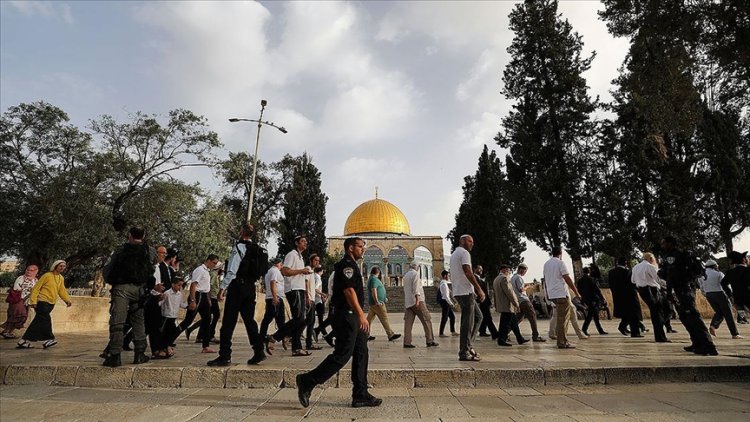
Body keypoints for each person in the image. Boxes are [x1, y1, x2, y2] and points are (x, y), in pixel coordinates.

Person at [295, 237, 382, 409]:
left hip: (354, 316)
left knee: (361, 352)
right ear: (350, 248)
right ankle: (307, 381)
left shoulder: (353, 264)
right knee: (343, 354)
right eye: (359, 246)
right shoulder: (346, 265)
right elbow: (349, 291)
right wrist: (361, 315)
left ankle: (360, 394)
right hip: (346, 315)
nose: (363, 249)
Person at [207, 223, 267, 366]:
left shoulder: (239, 248)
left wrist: (222, 288)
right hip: (250, 288)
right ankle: (258, 350)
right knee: (250, 321)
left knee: (228, 322)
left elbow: (232, 271)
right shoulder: (257, 249)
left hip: (237, 287)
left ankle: (225, 355)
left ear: (241, 232)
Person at [101, 227, 155, 366]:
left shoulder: (119, 250)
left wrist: (112, 281)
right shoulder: (150, 251)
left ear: (129, 235)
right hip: (140, 290)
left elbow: (107, 269)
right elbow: (151, 269)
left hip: (121, 289)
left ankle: (115, 355)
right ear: (143, 236)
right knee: (138, 321)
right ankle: (139, 354)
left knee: (118, 322)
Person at [659, 236, 717, 355]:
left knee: (693, 317)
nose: (662, 246)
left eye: (664, 243)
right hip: (676, 290)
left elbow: (682, 273)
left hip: (684, 289)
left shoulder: (679, 255)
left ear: (671, 243)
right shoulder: (667, 257)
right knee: (685, 318)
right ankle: (696, 342)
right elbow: (667, 274)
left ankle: (708, 346)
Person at [267, 235, 314, 357]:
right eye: (303, 241)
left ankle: (296, 348)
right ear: (296, 243)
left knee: (301, 319)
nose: (305, 243)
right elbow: (285, 271)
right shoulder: (291, 255)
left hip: (299, 289)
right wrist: (301, 271)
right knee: (299, 318)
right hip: (293, 289)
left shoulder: (300, 257)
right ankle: (275, 337)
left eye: (306, 241)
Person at [16, 260, 71, 349]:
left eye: (64, 266)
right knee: (46, 319)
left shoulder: (61, 278)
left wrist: (67, 300)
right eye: (60, 266)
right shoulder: (47, 276)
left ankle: (23, 341)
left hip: (51, 303)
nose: (62, 268)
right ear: (55, 266)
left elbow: (61, 290)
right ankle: (49, 338)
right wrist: (33, 301)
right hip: (42, 301)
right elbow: (36, 288)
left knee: (38, 322)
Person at [450, 234, 485, 361]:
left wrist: (472, 290)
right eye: (470, 241)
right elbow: (467, 271)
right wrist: (479, 289)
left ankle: (468, 346)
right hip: (464, 293)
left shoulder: (454, 254)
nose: (472, 244)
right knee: (467, 322)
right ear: (462, 241)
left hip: (461, 291)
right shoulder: (464, 253)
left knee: (478, 317)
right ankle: (464, 352)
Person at [176, 255, 220, 353]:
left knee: (207, 319)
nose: (214, 265)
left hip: (204, 296)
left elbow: (206, 287)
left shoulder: (207, 272)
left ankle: (206, 345)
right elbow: (193, 285)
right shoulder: (200, 270)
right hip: (197, 295)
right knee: (188, 321)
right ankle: (169, 340)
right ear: (208, 261)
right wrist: (192, 300)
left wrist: (208, 299)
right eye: (214, 262)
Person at [543, 246, 581, 349]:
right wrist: (576, 292)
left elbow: (545, 281)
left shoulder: (546, 264)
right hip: (561, 294)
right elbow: (567, 278)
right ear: (560, 253)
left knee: (560, 318)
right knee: (563, 319)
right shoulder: (560, 263)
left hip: (552, 295)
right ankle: (562, 342)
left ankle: (561, 340)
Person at [631, 253, 669, 342]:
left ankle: (659, 335)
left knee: (655, 312)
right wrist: (668, 286)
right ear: (651, 258)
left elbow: (633, 280)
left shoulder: (635, 267)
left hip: (642, 291)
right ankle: (660, 336)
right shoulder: (650, 266)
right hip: (652, 290)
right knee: (659, 312)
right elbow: (658, 280)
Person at [701, 259, 742, 339]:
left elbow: (702, 288)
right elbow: (726, 285)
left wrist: (706, 294)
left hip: (709, 294)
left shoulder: (702, 276)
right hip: (720, 293)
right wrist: (731, 295)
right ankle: (734, 334)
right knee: (728, 314)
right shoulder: (719, 274)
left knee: (719, 312)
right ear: (714, 266)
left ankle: (713, 326)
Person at [402, 262, 438, 348]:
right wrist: (417, 300)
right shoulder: (415, 274)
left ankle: (407, 342)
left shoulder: (406, 275)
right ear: (417, 267)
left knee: (408, 323)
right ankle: (430, 340)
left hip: (408, 302)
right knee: (426, 320)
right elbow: (416, 288)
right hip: (418, 301)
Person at [493, 264, 528, 346]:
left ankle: (520, 338)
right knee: (505, 324)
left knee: (513, 323)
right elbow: (510, 293)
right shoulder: (504, 278)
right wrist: (516, 303)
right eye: (509, 271)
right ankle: (501, 340)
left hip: (501, 304)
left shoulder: (496, 279)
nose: (509, 273)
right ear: (505, 270)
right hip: (507, 305)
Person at [1, 264, 39, 339]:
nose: (28, 271)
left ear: (35, 271)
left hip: (27, 302)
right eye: (27, 269)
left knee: (22, 318)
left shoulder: (36, 280)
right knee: (16, 316)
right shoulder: (21, 278)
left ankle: (8, 332)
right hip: (18, 300)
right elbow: (17, 289)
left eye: (31, 270)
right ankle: (6, 331)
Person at [609, 257, 642, 338]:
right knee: (634, 314)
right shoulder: (627, 272)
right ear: (625, 263)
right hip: (629, 296)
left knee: (625, 313)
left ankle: (623, 326)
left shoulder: (611, 272)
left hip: (617, 296)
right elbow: (633, 283)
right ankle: (635, 332)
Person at [512, 263, 545, 342]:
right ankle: (535, 336)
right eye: (525, 271)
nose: (525, 273)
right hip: (524, 300)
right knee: (532, 317)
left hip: (519, 301)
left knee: (518, 319)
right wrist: (529, 286)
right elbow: (521, 289)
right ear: (521, 270)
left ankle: (504, 333)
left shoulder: (513, 278)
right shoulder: (519, 277)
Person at [366, 267, 401, 342]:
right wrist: (377, 301)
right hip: (377, 304)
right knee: (384, 319)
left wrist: (384, 298)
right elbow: (374, 290)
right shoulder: (374, 279)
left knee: (368, 320)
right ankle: (390, 334)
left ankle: (365, 334)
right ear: (378, 272)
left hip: (374, 304)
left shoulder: (372, 278)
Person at [155, 277, 186, 358]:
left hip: (173, 317)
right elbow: (160, 303)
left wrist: (189, 305)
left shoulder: (179, 294)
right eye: (178, 285)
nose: (180, 287)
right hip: (166, 317)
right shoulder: (167, 293)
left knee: (172, 333)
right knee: (165, 333)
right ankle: (164, 348)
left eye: (181, 286)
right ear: (173, 284)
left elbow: (182, 304)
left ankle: (167, 347)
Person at [259, 258, 286, 339]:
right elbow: (273, 282)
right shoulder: (275, 271)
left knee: (268, 318)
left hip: (272, 297)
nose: (282, 266)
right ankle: (281, 336)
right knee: (280, 319)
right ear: (279, 264)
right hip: (275, 297)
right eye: (281, 264)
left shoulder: (270, 271)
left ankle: (262, 336)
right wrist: (275, 297)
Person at [577, 267, 608, 336]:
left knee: (595, 315)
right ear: (589, 272)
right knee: (591, 315)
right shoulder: (591, 280)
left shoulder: (580, 280)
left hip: (586, 300)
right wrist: (602, 299)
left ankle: (600, 330)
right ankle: (584, 329)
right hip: (593, 300)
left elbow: (579, 290)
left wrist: (583, 299)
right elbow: (597, 290)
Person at [724, 250, 749, 325]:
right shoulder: (747, 270)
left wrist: (729, 293)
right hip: (748, 295)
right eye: (746, 257)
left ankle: (741, 318)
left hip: (737, 296)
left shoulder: (730, 272)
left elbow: (723, 283)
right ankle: (741, 319)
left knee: (740, 309)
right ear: (743, 259)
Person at [304, 254, 323, 351]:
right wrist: (307, 297)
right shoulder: (307, 269)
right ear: (311, 261)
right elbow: (305, 283)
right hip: (309, 299)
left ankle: (309, 343)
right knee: (308, 321)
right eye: (315, 260)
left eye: (318, 261)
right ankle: (289, 335)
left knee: (310, 321)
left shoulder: (311, 271)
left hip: (312, 299)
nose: (317, 262)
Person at [476, 265, 499, 339]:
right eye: (479, 269)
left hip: (485, 301)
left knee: (485, 317)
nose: (481, 271)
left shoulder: (480, 279)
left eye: (481, 269)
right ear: (475, 269)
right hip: (481, 301)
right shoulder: (475, 278)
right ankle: (494, 333)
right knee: (487, 317)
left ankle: (482, 331)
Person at [437, 270, 457, 337]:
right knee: (444, 317)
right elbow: (446, 296)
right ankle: (441, 333)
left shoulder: (443, 283)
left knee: (452, 317)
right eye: (448, 275)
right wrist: (451, 303)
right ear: (445, 276)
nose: (449, 277)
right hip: (445, 302)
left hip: (445, 302)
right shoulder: (444, 284)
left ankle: (453, 331)